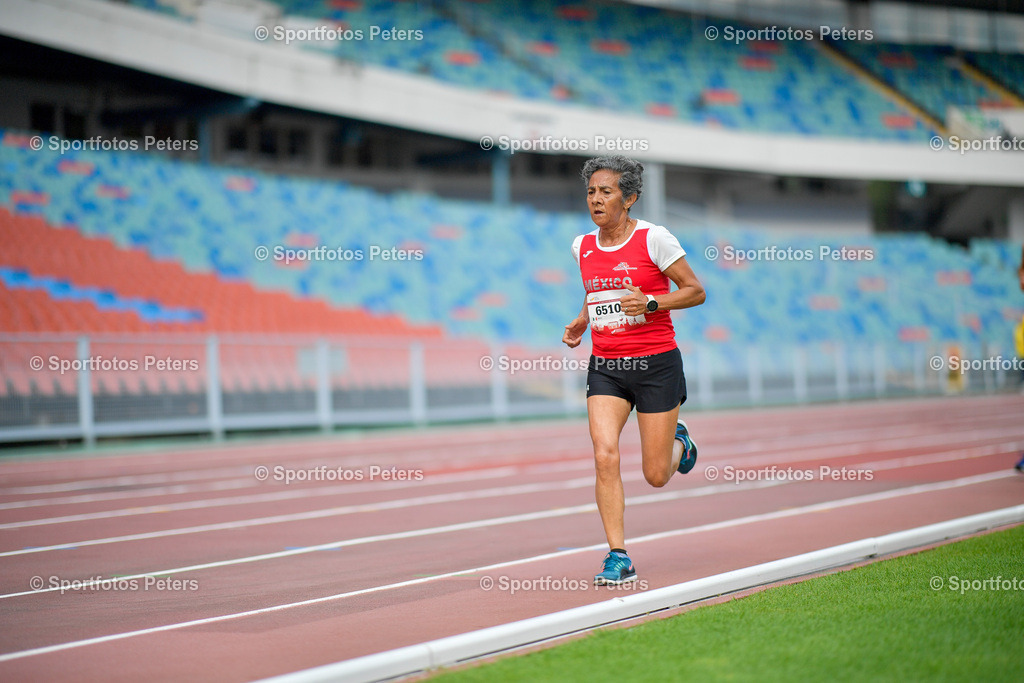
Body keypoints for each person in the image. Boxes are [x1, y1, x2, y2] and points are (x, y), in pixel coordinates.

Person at [562, 156, 706, 585]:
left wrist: (651, 302)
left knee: (656, 475)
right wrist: (582, 321)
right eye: (591, 191)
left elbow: (695, 291)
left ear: (630, 198)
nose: (596, 199)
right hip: (606, 366)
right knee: (604, 455)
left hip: (656, 364)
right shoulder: (581, 246)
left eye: (606, 192)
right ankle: (618, 555)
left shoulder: (654, 239)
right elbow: (598, 294)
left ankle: (681, 442)